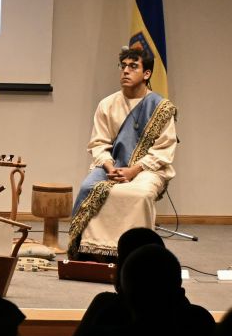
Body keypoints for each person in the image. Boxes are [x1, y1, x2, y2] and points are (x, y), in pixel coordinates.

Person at [67, 47, 177, 261]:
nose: (125, 71)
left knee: (139, 194)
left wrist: (133, 170)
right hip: (112, 165)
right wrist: (111, 167)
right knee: (88, 188)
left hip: (148, 168)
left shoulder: (161, 108)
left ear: (147, 74)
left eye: (133, 66)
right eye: (123, 66)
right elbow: (98, 143)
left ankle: (137, 254)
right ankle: (92, 251)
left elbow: (163, 150)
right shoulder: (107, 104)